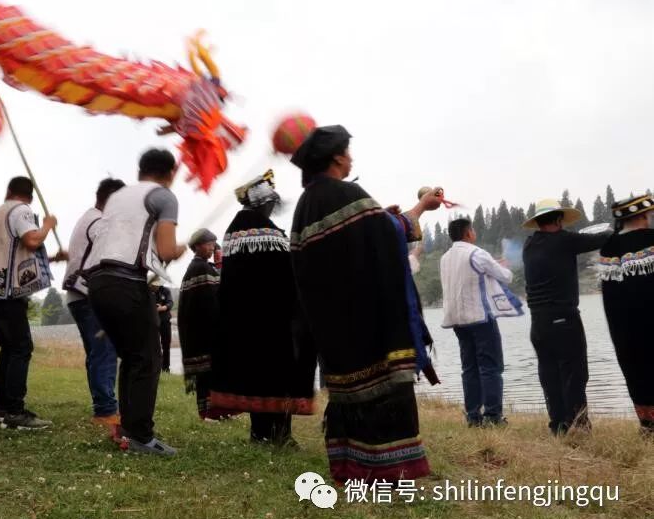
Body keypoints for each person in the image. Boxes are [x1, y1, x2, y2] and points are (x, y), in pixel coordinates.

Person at [289, 125, 440, 483]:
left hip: (332, 323)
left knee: (348, 393)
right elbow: (389, 232)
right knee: (384, 388)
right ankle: (392, 469)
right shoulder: (347, 193)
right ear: (338, 157)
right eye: (348, 151)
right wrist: (421, 207)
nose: (351, 157)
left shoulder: (305, 206)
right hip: (367, 321)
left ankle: (350, 466)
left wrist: (377, 218)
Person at [84, 148, 187, 456]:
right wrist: (181, 248)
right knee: (148, 358)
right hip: (126, 281)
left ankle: (129, 430)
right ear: (170, 173)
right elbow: (167, 250)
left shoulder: (118, 197)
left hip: (98, 282)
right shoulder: (164, 196)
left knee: (132, 358)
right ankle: (141, 435)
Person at [209, 171, 316, 446]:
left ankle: (259, 434)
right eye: (271, 203)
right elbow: (287, 278)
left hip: (243, 323)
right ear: (263, 203)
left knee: (255, 378)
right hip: (275, 321)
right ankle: (281, 435)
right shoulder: (270, 233)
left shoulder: (233, 232)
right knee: (280, 378)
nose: (273, 208)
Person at [0, 176, 60, 430]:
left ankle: (2, 406)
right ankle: (14, 410)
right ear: (30, 197)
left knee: (9, 348)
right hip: (6, 291)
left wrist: (52, 258)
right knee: (21, 347)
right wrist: (47, 226)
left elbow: (12, 251)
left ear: (8, 190)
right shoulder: (21, 210)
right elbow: (32, 240)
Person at [522, 198, 610, 435]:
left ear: (538, 222)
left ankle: (559, 426)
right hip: (564, 319)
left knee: (550, 375)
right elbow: (599, 239)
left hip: (538, 322)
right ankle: (580, 426)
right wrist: (615, 228)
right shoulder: (564, 241)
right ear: (559, 219)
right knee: (575, 373)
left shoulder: (529, 245)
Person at [440, 217, 523, 427]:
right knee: (490, 367)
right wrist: (502, 265)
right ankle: (493, 416)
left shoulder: (445, 257)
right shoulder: (476, 253)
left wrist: (492, 264)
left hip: (457, 320)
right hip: (479, 318)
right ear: (469, 233)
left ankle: (473, 416)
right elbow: (506, 277)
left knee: (469, 368)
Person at [63, 178, 126, 426]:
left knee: (97, 352)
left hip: (78, 296)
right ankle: (106, 410)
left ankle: (103, 406)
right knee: (105, 351)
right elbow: (109, 258)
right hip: (89, 296)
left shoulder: (88, 218)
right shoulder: (100, 222)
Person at [597, 195, 654, 435]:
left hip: (624, 325)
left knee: (636, 369)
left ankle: (648, 426)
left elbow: (609, 293)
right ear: (642, 215)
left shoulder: (609, 246)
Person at [178, 228, 234, 421]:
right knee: (207, 374)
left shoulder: (203, 267)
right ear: (198, 246)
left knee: (213, 374)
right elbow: (211, 302)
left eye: (213, 244)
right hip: (204, 333)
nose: (212, 248)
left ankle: (220, 411)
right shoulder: (200, 268)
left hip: (203, 332)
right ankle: (209, 413)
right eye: (209, 244)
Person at [152, 280, 174, 373]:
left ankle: (166, 369)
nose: (155, 287)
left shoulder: (166, 291)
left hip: (165, 321)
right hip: (153, 322)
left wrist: (162, 308)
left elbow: (170, 303)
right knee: (154, 346)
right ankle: (155, 369)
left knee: (166, 345)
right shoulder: (148, 291)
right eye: (154, 285)